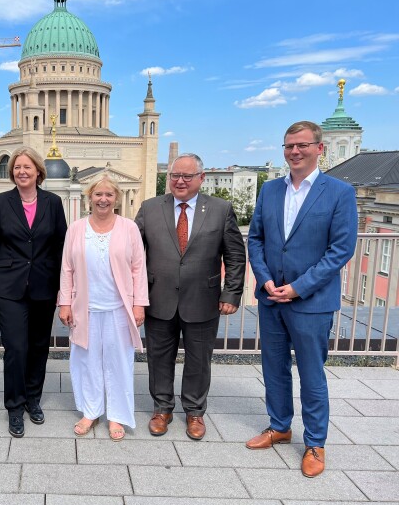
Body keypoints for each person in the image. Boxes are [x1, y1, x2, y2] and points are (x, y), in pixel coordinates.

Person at [246, 121, 358, 478]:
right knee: (273, 368)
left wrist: (297, 287)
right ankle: (279, 426)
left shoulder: (339, 192)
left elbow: (340, 249)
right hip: (271, 298)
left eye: (302, 145)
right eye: (289, 146)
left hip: (310, 301)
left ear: (319, 148)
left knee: (311, 374)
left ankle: (315, 443)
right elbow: (256, 239)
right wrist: (264, 281)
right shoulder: (270, 189)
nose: (294, 151)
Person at [135, 153, 245, 441]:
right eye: (174, 176)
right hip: (157, 297)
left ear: (201, 178)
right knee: (159, 358)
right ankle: (162, 409)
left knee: (199, 359)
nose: (179, 181)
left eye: (186, 176)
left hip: (204, 299)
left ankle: (195, 412)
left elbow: (235, 255)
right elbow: (132, 253)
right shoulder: (150, 208)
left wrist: (231, 293)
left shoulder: (221, 209)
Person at [0, 146, 67, 438]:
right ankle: (14, 407)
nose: (21, 172)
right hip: (9, 287)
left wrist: (63, 289)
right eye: (17, 167)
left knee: (39, 347)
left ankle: (33, 399)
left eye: (27, 167)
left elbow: (60, 247)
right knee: (16, 349)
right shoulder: (1, 202)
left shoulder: (53, 203)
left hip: (44, 286)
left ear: (38, 172)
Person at [58, 173, 148, 441]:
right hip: (85, 308)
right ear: (89, 198)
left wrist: (139, 304)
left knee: (119, 362)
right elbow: (67, 268)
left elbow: (138, 268)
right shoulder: (76, 229)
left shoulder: (129, 228)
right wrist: (64, 302)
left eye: (109, 194)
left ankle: (117, 415)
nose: (103, 199)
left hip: (119, 308)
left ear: (116, 198)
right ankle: (90, 410)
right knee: (86, 361)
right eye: (98, 194)